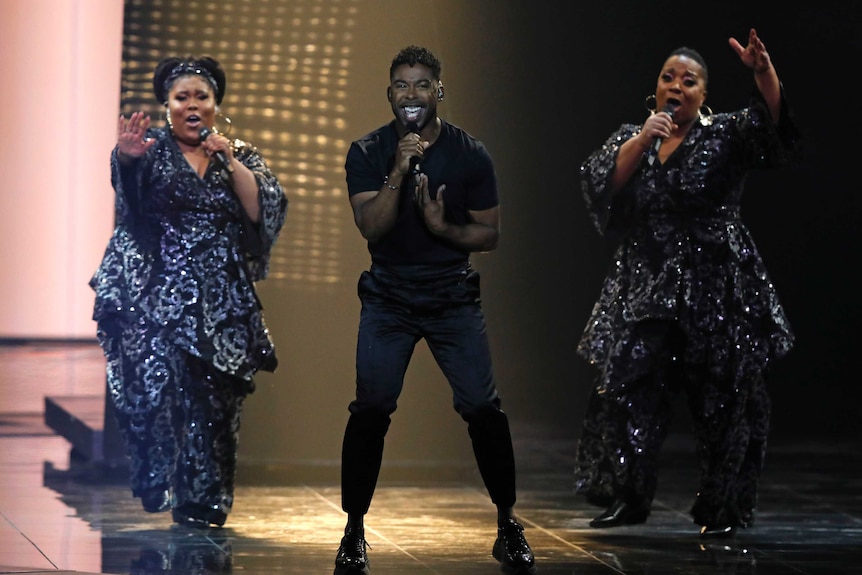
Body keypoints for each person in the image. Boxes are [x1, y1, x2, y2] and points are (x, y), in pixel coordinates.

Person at [572, 28, 801, 538]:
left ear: (703, 93)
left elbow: (774, 127)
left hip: (716, 281)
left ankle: (722, 508)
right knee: (625, 387)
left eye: (689, 80)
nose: (676, 86)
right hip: (648, 282)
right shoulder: (635, 135)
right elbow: (600, 184)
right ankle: (629, 496)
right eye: (668, 77)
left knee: (724, 398)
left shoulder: (724, 133)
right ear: (656, 87)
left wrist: (763, 72)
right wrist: (643, 139)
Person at [333, 45, 536, 575]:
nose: (412, 95)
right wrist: (399, 171)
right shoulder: (367, 151)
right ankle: (353, 531)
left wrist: (444, 228)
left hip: (450, 295)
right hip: (390, 296)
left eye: (422, 84)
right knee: (371, 408)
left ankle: (508, 523)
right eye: (401, 85)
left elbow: (489, 234)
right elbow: (370, 227)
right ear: (389, 93)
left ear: (438, 91)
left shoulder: (472, 154)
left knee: (482, 408)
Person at [90, 55, 288, 528]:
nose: (193, 105)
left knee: (216, 403)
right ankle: (162, 479)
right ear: (167, 105)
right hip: (157, 294)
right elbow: (130, 203)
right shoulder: (149, 149)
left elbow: (265, 208)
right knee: (160, 394)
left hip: (220, 300)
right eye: (183, 98)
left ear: (216, 104)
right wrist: (126, 159)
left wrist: (231, 161)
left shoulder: (238, 153)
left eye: (202, 97)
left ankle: (205, 501)